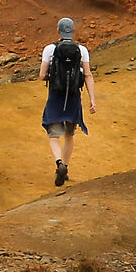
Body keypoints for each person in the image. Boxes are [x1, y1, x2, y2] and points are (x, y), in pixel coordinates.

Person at [40, 16, 99, 188]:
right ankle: (66, 167)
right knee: (69, 135)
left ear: (58, 30)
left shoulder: (50, 49)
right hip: (73, 97)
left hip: (55, 96)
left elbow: (42, 75)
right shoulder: (82, 50)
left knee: (53, 135)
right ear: (73, 31)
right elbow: (88, 75)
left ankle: (59, 164)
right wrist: (92, 100)